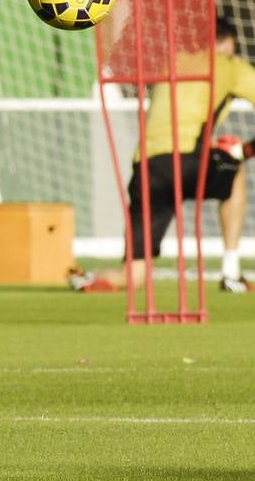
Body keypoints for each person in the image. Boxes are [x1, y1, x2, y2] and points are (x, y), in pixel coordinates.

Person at [70, 16, 255, 294]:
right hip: (188, 161)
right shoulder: (229, 66)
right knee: (234, 168)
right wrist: (246, 150)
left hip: (147, 168)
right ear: (227, 43)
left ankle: (89, 279)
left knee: (133, 276)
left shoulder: (173, 61)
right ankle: (230, 273)